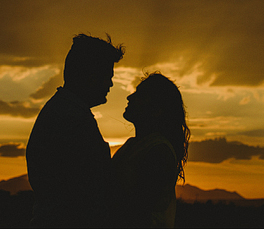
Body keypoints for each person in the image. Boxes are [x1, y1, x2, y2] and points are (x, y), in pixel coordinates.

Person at [25, 33, 125, 228]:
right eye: (107, 77)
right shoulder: (72, 120)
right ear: (90, 75)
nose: (111, 84)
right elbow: (87, 195)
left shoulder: (64, 112)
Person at [109, 72, 189, 228]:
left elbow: (138, 211)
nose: (129, 98)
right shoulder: (134, 145)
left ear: (157, 110)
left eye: (140, 95)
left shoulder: (158, 152)